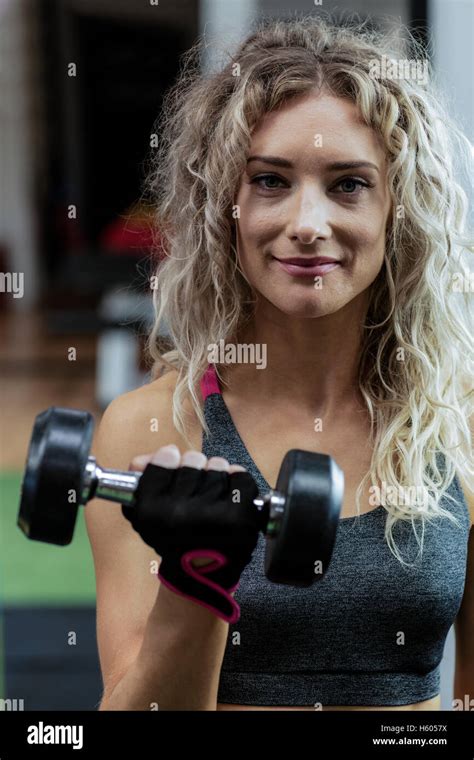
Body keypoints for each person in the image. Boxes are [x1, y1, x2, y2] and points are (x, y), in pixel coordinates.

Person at [85, 15, 473, 711]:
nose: (306, 222)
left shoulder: (458, 423)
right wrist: (195, 576)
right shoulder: (150, 432)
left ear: (398, 209)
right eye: (270, 181)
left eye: (349, 184)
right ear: (225, 207)